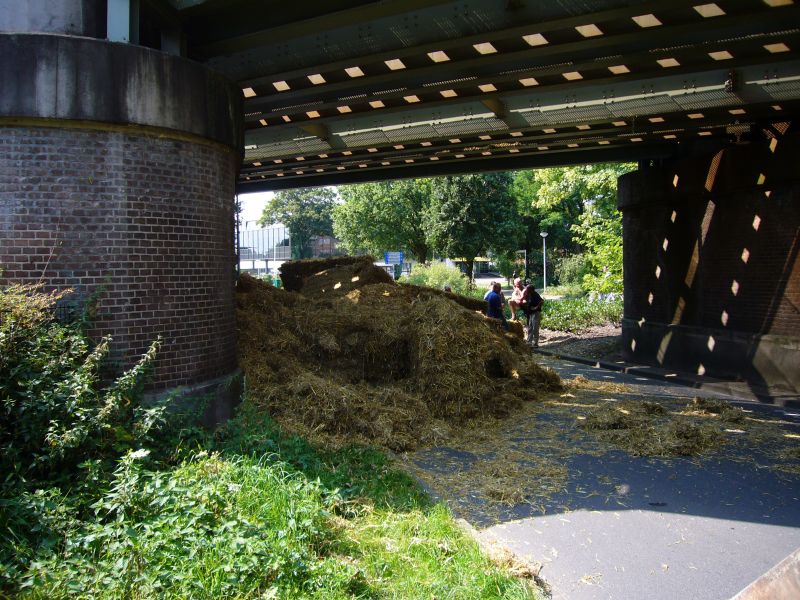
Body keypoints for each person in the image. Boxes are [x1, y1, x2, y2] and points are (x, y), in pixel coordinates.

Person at [520, 281, 543, 347]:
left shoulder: (535, 294)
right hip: (531, 313)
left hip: (536, 313)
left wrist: (536, 307)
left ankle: (535, 343)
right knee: (530, 327)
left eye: (527, 289)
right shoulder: (529, 294)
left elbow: (541, 301)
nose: (526, 290)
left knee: (535, 328)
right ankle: (529, 341)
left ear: (531, 290)